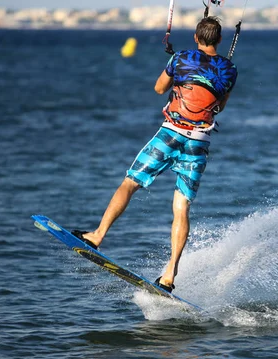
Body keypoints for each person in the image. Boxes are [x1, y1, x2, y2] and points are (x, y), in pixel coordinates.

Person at [73, 16, 238, 292]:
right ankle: (170, 274)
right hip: (198, 142)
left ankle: (98, 235)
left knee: (130, 182)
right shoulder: (230, 70)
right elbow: (220, 107)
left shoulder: (182, 58)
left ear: (197, 38)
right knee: (181, 207)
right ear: (219, 40)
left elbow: (159, 88)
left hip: (170, 133)